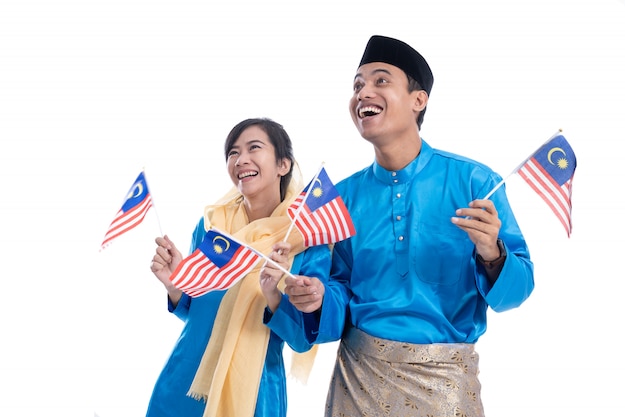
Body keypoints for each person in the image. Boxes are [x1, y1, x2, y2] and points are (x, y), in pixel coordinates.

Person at [283, 35, 535, 417]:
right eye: (357, 85)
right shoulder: (340, 199)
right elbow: (340, 295)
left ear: (419, 100)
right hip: (358, 382)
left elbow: (517, 293)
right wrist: (317, 298)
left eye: (380, 80)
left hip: (446, 387)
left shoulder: (476, 183)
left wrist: (492, 253)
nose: (363, 92)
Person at [146, 117, 331, 417]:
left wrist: (273, 295)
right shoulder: (212, 227)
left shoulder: (305, 239)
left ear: (283, 165)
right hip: (182, 385)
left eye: (253, 148)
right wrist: (175, 286)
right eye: (232, 153)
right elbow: (197, 314)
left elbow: (301, 339)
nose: (240, 160)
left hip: (254, 395)